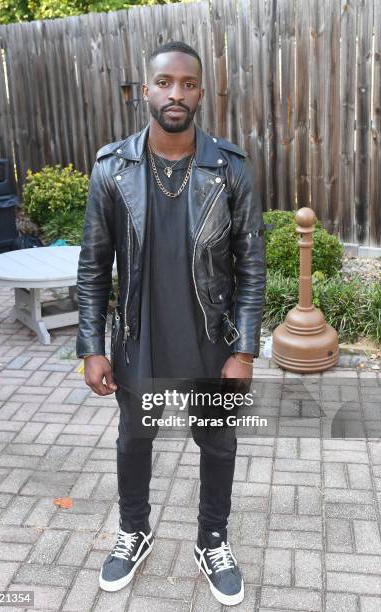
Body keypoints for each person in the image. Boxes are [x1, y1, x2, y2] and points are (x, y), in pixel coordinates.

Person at [76, 40, 266, 606]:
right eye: (165, 83)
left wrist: (246, 350)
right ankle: (134, 530)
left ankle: (212, 539)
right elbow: (93, 265)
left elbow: (251, 264)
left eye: (187, 84)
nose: (175, 94)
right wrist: (91, 345)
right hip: (139, 342)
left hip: (212, 343)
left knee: (218, 444)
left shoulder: (229, 168)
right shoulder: (113, 168)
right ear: (146, 90)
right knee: (135, 440)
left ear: (201, 92)